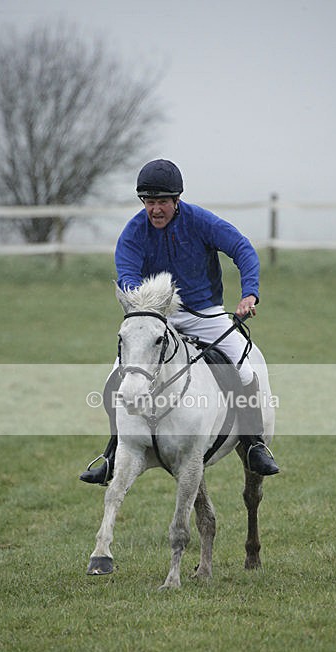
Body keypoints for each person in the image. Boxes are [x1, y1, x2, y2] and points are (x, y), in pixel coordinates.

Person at [80, 159, 279, 485]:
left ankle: (254, 442)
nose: (155, 209)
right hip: (159, 317)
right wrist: (143, 305)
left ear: (176, 200)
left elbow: (242, 249)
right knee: (116, 376)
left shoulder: (200, 221)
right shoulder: (133, 233)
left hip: (206, 314)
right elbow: (128, 276)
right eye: (149, 202)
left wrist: (249, 294)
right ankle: (113, 451)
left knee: (244, 368)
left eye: (161, 202)